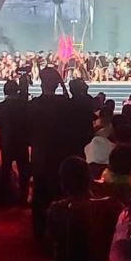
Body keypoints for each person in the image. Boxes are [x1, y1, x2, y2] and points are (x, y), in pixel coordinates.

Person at [29, 67, 90, 238]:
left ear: (42, 84)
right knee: (61, 195)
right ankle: (61, 233)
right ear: (57, 85)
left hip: (41, 157)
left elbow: (26, 132)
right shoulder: (68, 105)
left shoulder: (33, 105)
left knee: (40, 194)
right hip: (62, 158)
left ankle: (39, 232)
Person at [0, 79, 30, 203]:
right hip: (21, 141)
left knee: (6, 170)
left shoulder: (1, 106)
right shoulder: (24, 105)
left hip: (7, 142)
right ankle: (23, 196)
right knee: (23, 169)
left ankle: (5, 197)